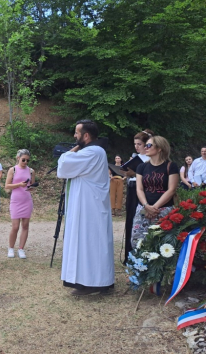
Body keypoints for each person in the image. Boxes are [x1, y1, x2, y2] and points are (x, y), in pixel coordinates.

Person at [57, 120, 114, 296]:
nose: (75, 136)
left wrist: (72, 149)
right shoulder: (93, 151)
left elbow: (64, 165)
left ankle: (94, 282)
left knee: (90, 243)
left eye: (77, 133)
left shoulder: (93, 152)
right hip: (86, 205)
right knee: (85, 243)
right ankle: (86, 281)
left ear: (86, 136)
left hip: (90, 208)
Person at [131, 136, 179, 247]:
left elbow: (171, 190)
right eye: (145, 145)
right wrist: (147, 206)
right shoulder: (141, 167)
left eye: (149, 145)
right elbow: (139, 189)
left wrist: (154, 207)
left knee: (162, 242)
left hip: (163, 209)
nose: (145, 147)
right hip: (143, 208)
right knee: (138, 241)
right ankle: (139, 263)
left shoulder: (171, 166)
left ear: (159, 148)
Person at [122, 129, 154, 264]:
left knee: (140, 222)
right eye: (135, 144)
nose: (136, 146)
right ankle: (128, 255)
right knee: (130, 220)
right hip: (131, 188)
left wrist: (134, 174)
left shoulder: (150, 159)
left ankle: (140, 255)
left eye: (139, 144)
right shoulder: (135, 158)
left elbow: (149, 178)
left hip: (142, 191)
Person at [5, 149, 35, 259]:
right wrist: (19, 184)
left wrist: (31, 187)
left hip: (27, 200)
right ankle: (11, 248)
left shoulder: (31, 171)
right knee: (15, 226)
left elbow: (31, 185)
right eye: (23, 160)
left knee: (25, 225)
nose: (26, 162)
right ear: (18, 158)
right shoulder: (12, 170)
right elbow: (7, 186)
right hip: (16, 200)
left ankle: (21, 248)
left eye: (27, 160)